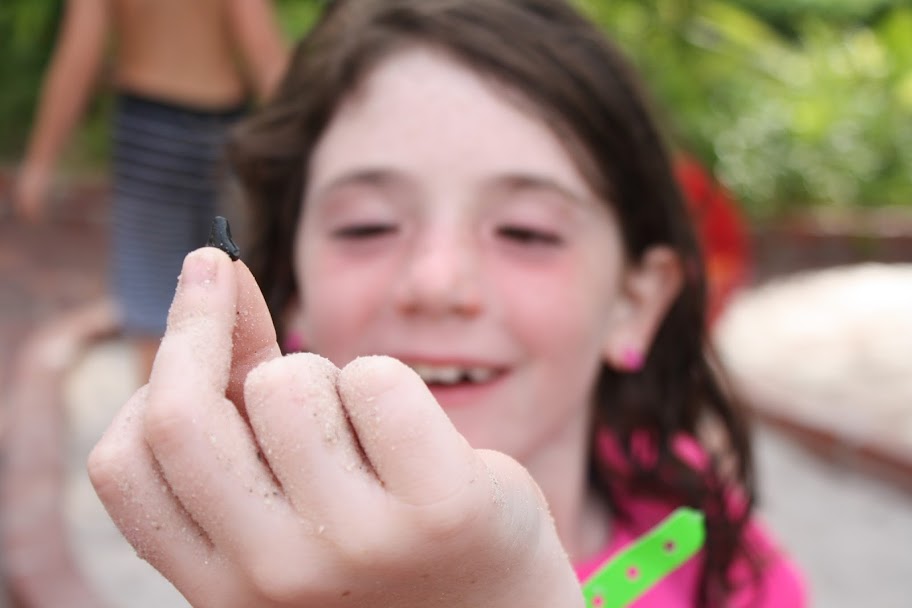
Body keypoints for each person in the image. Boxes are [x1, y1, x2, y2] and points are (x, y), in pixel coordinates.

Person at [87, 1, 806, 606]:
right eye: (367, 226)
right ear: (291, 288)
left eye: (526, 231)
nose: (435, 282)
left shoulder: (732, 569)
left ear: (635, 302)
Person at [12, 0, 288, 381]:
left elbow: (81, 51)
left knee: (152, 314)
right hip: (224, 131)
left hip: (150, 133)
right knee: (238, 299)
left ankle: (162, 414)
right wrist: (300, 155)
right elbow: (264, 52)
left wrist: (40, 162)